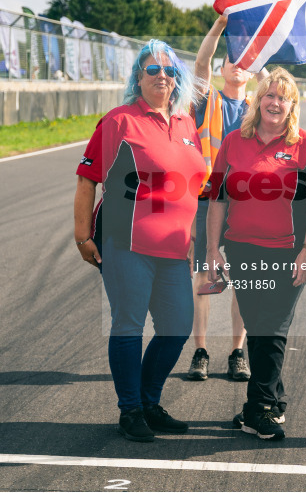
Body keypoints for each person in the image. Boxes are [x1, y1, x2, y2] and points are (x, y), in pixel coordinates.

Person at [73, 39, 206, 443]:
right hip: (127, 244)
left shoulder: (186, 124)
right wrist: (82, 235)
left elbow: (191, 186)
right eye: (153, 69)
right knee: (129, 324)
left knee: (178, 326)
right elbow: (87, 180)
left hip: (174, 249)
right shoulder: (119, 121)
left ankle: (149, 401)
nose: (162, 76)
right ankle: (130, 409)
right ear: (138, 76)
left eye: (169, 70)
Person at [206, 68, 306, 440]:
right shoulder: (233, 142)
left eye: (283, 97)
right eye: (268, 95)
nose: (275, 102)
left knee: (273, 326)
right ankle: (273, 398)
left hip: (289, 250)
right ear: (257, 101)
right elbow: (216, 199)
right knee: (258, 325)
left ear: (293, 106)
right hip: (242, 249)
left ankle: (256, 408)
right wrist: (212, 248)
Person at [187, 15, 266, 383]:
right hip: (208, 202)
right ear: (221, 69)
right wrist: (219, 28)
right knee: (204, 275)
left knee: (245, 280)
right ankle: (200, 350)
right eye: (232, 60)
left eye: (244, 63)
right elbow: (200, 64)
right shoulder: (208, 100)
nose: (238, 65)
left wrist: (257, 48)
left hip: (248, 206)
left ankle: (238, 351)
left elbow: (270, 83)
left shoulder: (259, 109)